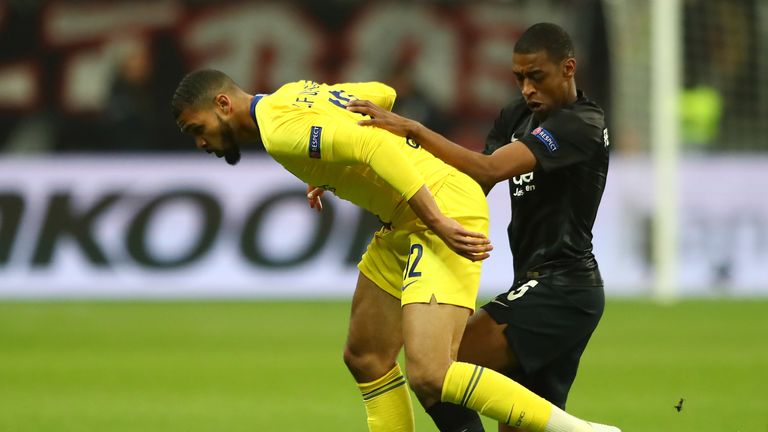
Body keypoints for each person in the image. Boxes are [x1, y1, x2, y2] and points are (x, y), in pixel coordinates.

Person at [171, 69, 617, 432]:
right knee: (365, 354)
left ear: (223, 105)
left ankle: (577, 431)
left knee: (432, 374)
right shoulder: (290, 95)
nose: (201, 141)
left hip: (440, 206)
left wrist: (438, 220)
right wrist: (328, 167)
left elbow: (368, 143)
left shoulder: (279, 131)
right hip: (405, 219)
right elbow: (380, 94)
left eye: (198, 128)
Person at [347, 22, 615, 432]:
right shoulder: (516, 116)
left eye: (536, 77)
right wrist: (364, 173)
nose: (526, 88)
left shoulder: (584, 123)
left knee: (439, 368)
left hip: (564, 288)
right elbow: (471, 183)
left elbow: (490, 166)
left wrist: (414, 129)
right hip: (535, 282)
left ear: (568, 69)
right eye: (519, 78)